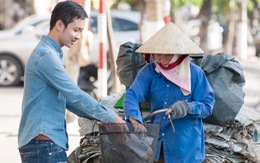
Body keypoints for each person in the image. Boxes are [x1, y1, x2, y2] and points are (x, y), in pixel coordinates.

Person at [18, 1, 125, 162]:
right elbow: (74, 95)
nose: (78, 36)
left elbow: (70, 101)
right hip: (44, 145)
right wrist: (113, 118)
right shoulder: (46, 56)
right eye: (76, 30)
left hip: (44, 144)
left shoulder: (50, 53)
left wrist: (102, 114)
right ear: (59, 24)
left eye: (80, 31)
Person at [123, 22, 215, 163]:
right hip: (157, 147)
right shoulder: (149, 71)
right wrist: (135, 119)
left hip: (186, 150)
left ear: (178, 53)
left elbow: (208, 105)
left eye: (164, 54)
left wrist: (187, 107)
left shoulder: (195, 74)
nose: (159, 58)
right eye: (156, 54)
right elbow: (132, 94)